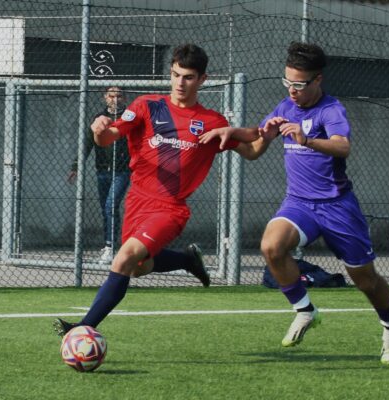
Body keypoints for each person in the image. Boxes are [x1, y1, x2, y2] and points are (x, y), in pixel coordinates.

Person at [200, 42, 389, 365]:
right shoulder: (285, 107)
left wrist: (306, 139)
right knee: (271, 246)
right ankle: (305, 310)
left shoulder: (331, 110)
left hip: (337, 206)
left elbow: (343, 146)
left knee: (365, 279)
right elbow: (257, 143)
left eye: (299, 84)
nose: (292, 91)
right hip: (299, 203)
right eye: (287, 83)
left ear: (317, 80)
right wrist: (230, 134)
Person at [53, 43, 262, 338]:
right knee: (139, 267)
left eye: (188, 77)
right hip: (137, 201)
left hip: (170, 209)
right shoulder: (145, 105)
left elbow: (252, 151)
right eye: (176, 74)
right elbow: (108, 138)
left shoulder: (213, 122)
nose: (180, 83)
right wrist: (99, 129)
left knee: (123, 259)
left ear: (202, 79)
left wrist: (252, 131)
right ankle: (185, 259)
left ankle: (84, 327)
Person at [68, 86, 131, 264]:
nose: (115, 99)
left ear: (124, 98)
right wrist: (76, 165)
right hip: (103, 170)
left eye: (119, 96)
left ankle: (110, 247)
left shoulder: (129, 117)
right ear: (105, 98)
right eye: (111, 96)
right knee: (106, 209)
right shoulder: (99, 118)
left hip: (122, 170)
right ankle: (108, 243)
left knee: (111, 205)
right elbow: (88, 143)